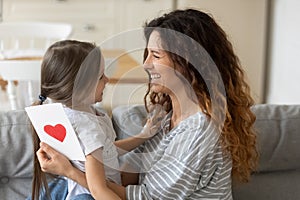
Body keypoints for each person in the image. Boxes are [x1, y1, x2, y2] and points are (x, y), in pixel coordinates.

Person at [34, 9, 258, 200]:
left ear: (188, 65)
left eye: (156, 56)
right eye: (147, 54)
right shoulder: (169, 118)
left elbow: (145, 197)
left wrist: (70, 171)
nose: (145, 64)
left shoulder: (198, 133)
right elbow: (126, 173)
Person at [29, 40, 163, 200]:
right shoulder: (87, 127)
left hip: (75, 187)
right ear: (80, 86)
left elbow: (106, 151)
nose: (107, 80)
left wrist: (144, 135)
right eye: (100, 77)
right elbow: (98, 190)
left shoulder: (72, 112)